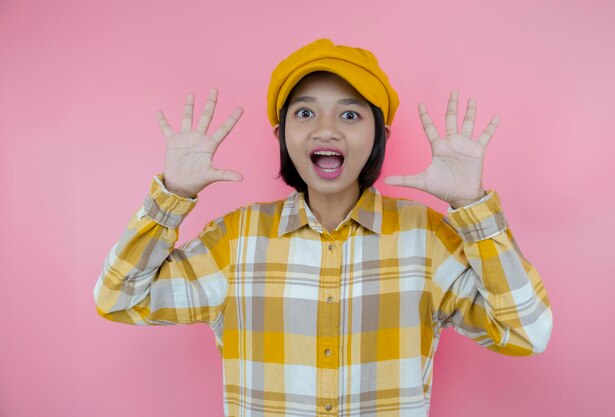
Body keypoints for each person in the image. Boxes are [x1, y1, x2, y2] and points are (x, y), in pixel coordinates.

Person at [93, 38, 553, 417]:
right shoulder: (237, 241)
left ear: (380, 135)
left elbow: (528, 332)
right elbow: (118, 298)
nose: (326, 130)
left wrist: (471, 205)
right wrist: (171, 194)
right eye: (306, 113)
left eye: (350, 115)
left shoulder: (426, 239)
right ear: (282, 136)